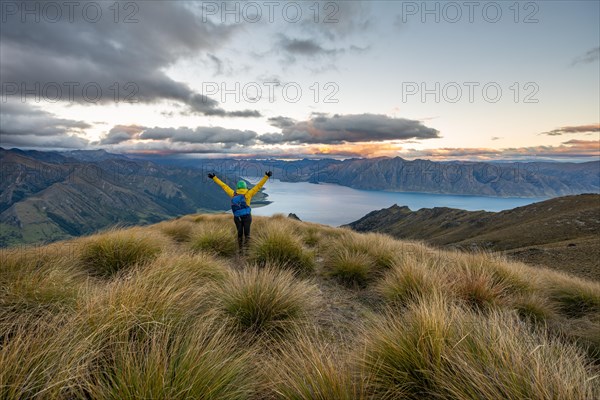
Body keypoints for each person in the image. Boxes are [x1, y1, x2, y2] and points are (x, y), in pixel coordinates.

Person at [208, 171, 272, 252]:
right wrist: (266, 176)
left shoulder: (233, 194)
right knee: (247, 234)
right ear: (245, 187)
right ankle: (247, 250)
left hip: (237, 217)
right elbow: (258, 186)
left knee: (240, 233)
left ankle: (240, 250)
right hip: (247, 217)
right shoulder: (248, 194)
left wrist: (214, 178)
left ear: (238, 187)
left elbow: (224, 186)